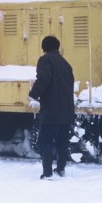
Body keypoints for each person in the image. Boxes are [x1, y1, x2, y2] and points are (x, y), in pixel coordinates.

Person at [28, 36, 75, 180]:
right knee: (62, 142)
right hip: (66, 111)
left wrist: (33, 95)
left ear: (44, 48)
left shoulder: (45, 60)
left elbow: (43, 79)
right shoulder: (65, 63)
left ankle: (47, 172)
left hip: (52, 111)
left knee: (45, 141)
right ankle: (60, 169)